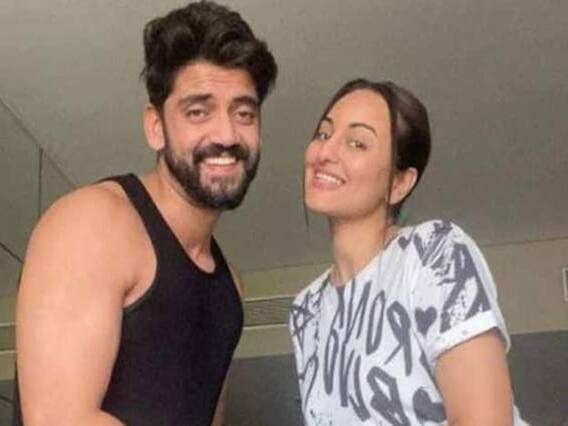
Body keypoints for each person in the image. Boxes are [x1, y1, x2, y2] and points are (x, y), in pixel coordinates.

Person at [13, 1, 277, 425]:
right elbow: (58, 419)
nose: (227, 134)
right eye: (199, 112)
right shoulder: (92, 223)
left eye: (243, 113)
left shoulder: (231, 288)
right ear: (156, 127)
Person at [289, 79, 529, 425]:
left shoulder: (434, 252)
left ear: (400, 182)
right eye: (324, 134)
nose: (325, 152)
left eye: (357, 143)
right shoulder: (306, 309)